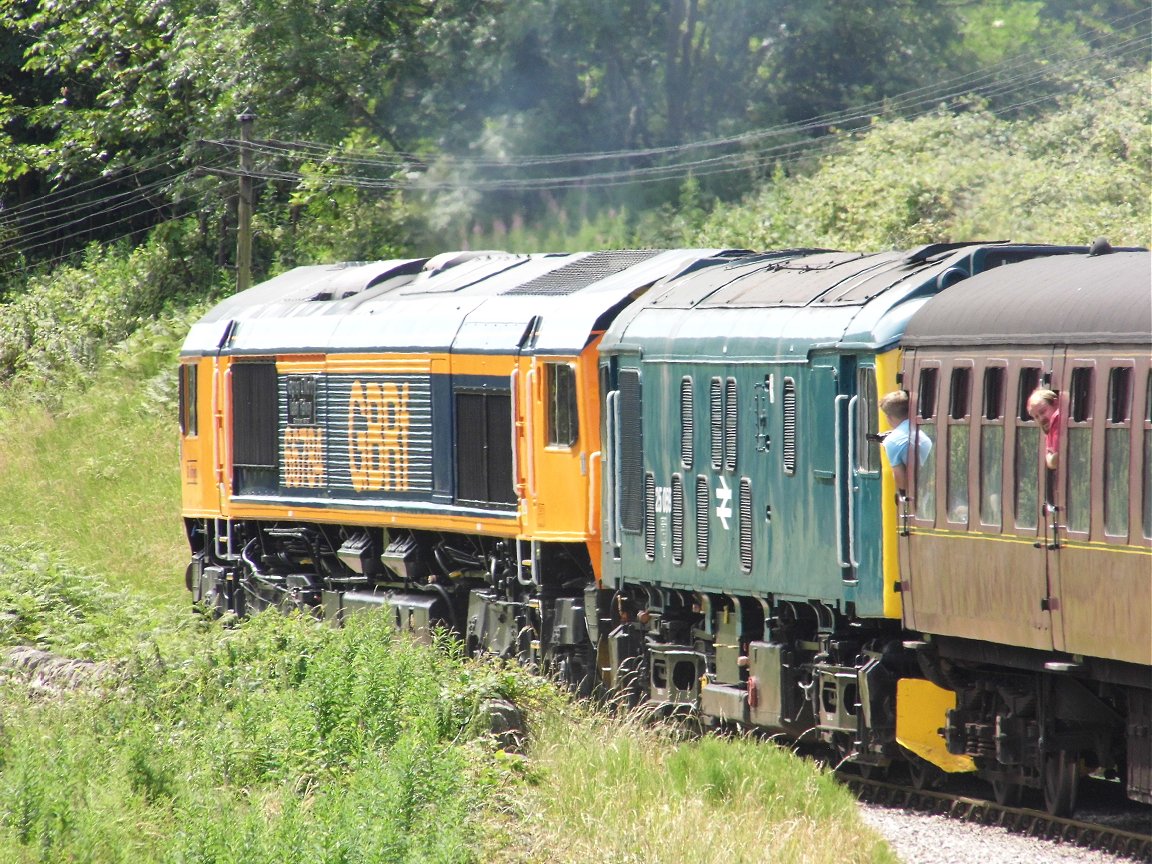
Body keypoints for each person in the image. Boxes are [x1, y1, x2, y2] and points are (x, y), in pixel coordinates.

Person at [879, 390, 932, 497]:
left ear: (889, 417)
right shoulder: (924, 428)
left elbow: (903, 484)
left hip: (923, 495)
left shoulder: (892, 441)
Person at [1026, 388, 1060, 471]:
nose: (1041, 419)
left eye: (1042, 411)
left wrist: (1050, 458)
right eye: (1036, 417)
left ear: (1056, 403)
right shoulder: (1049, 429)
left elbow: (1056, 460)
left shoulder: (1057, 418)